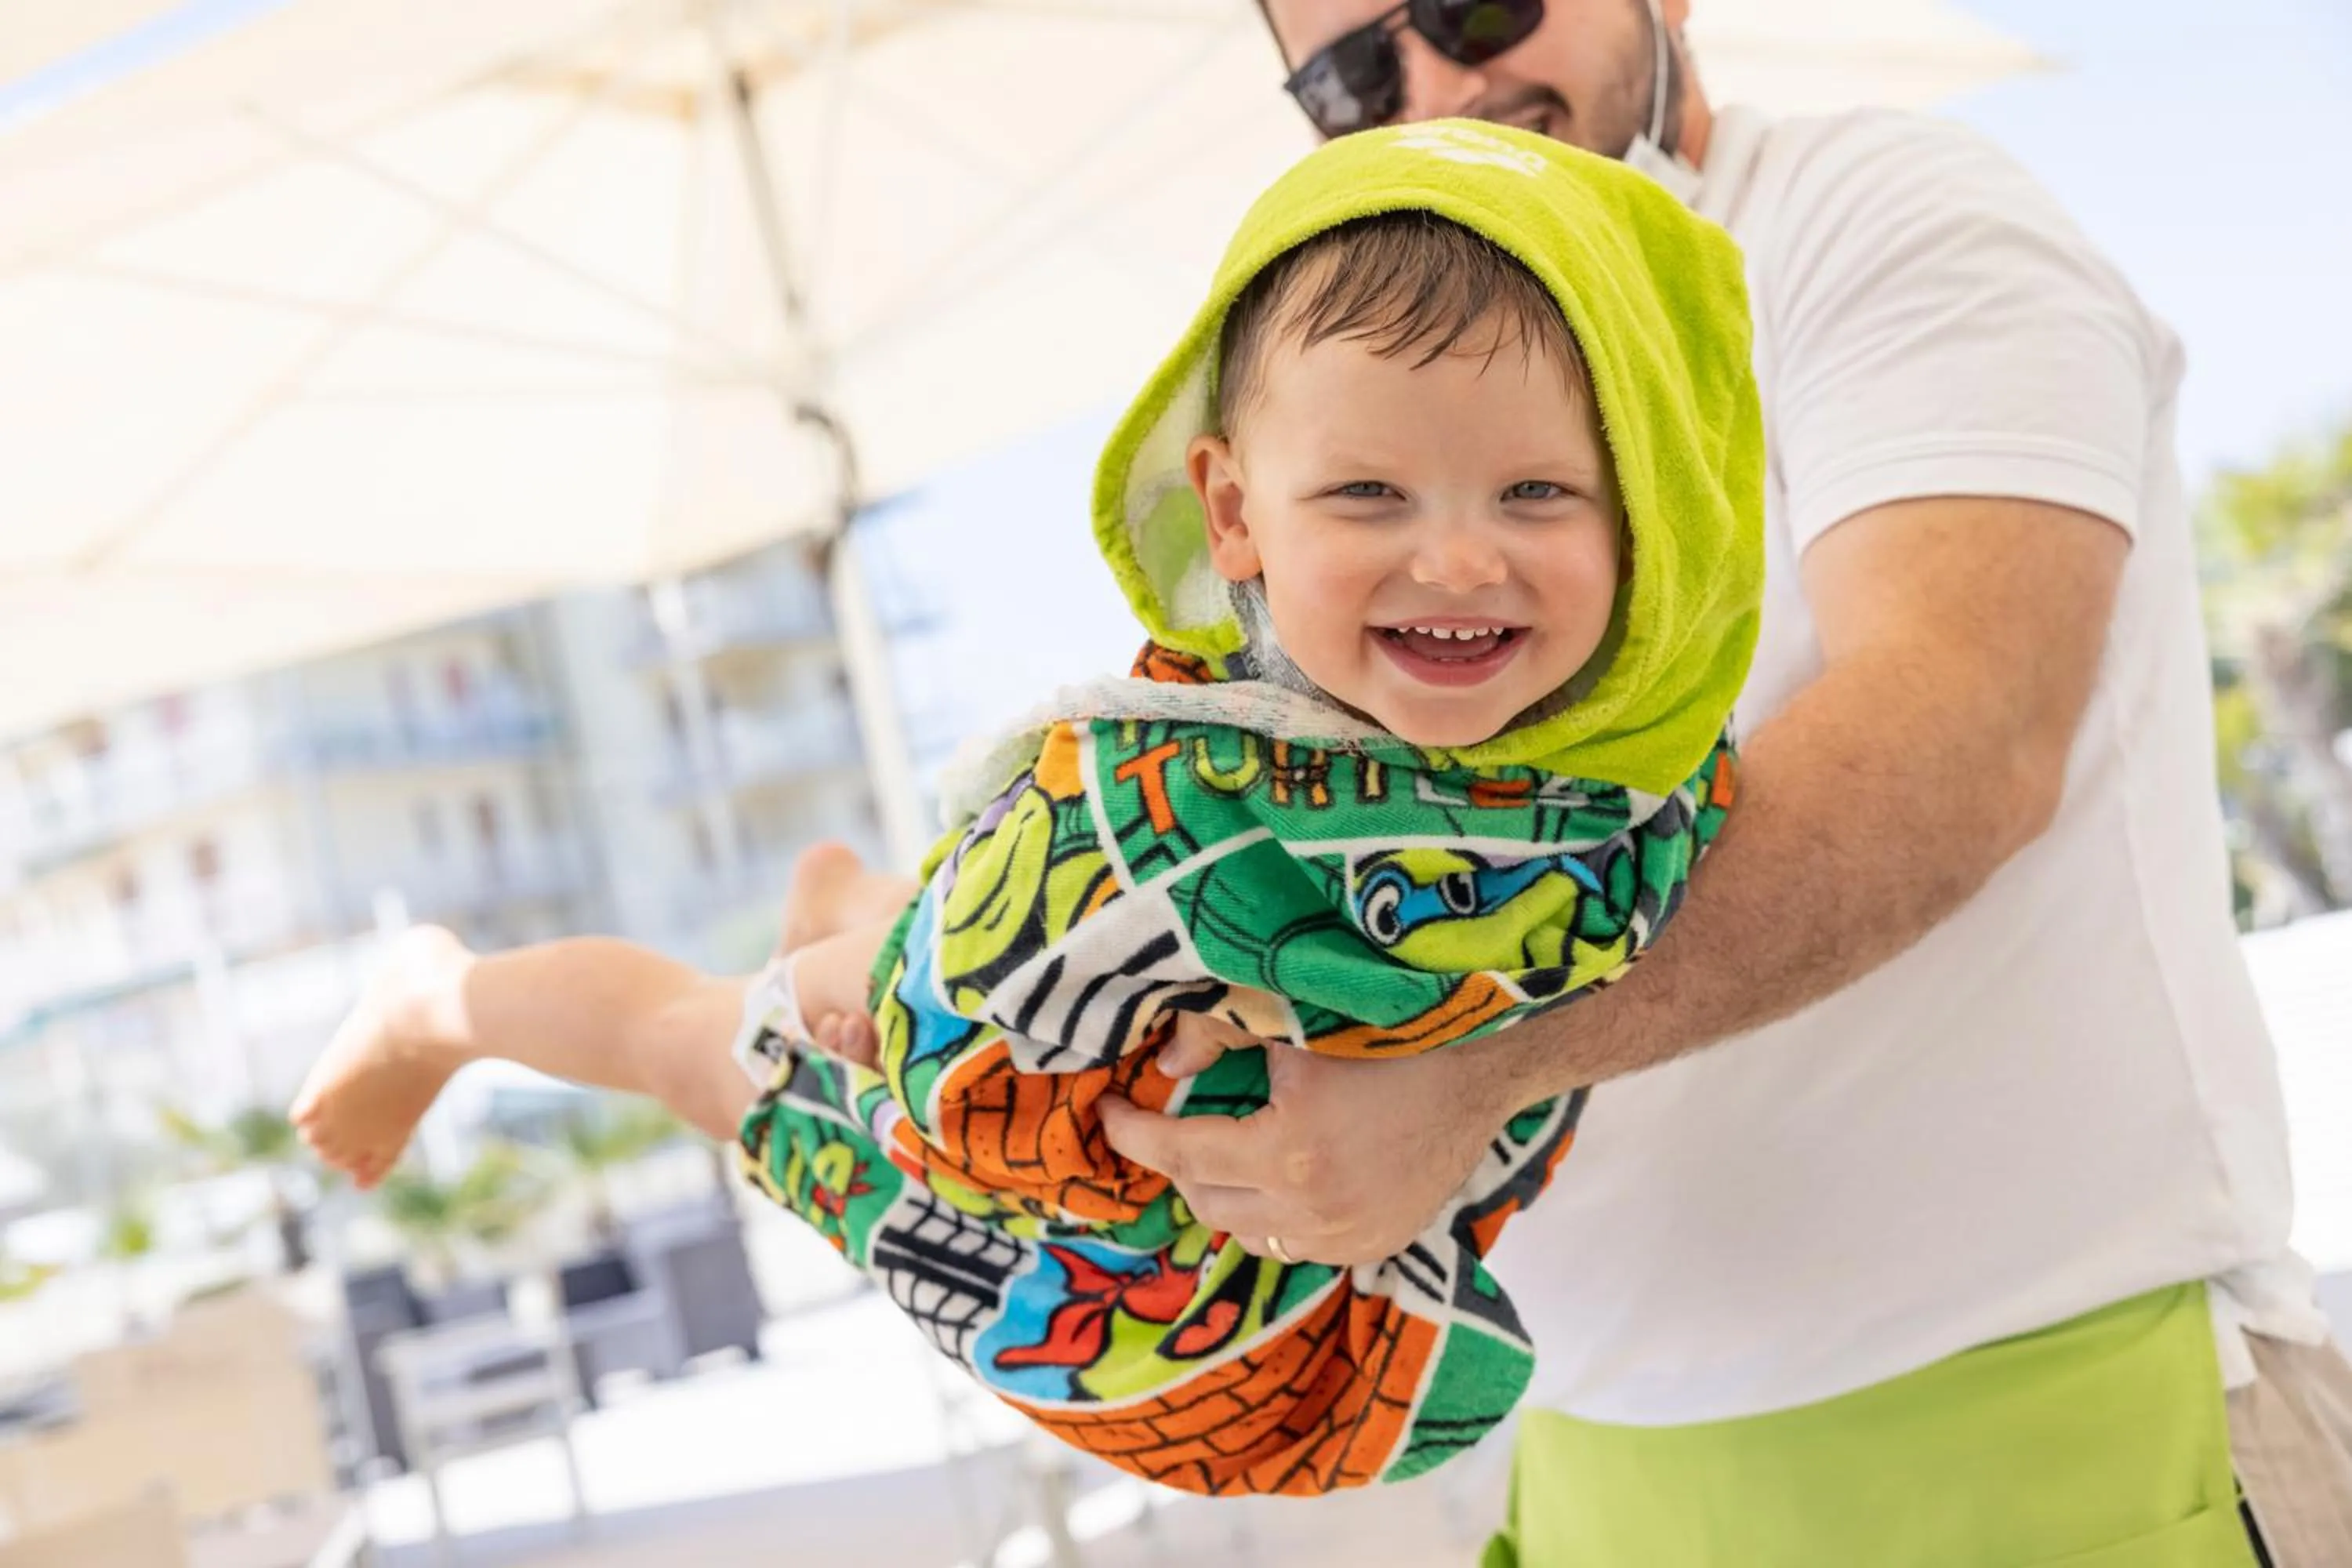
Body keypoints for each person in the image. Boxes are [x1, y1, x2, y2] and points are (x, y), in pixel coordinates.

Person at [1003, 0, 2349, 1561]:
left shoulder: (1886, 216)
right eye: (1355, 71)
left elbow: (1959, 740)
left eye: (1477, 2)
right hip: (1600, 1485)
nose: (1446, 79)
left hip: (2062, 1437)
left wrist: (1468, 1082)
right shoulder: (1369, 419)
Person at [292, 122, 1762, 1497]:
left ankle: (858, 905)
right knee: (677, 1039)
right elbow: (945, 1039)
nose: (1455, 561)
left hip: (1274, 1255)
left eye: (1537, 496)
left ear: (1653, 510)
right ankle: (446, 998)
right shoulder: (1183, 806)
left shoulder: (1634, 754)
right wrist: (869, 1000)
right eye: (1370, 494)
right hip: (1012, 1198)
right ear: (1237, 514)